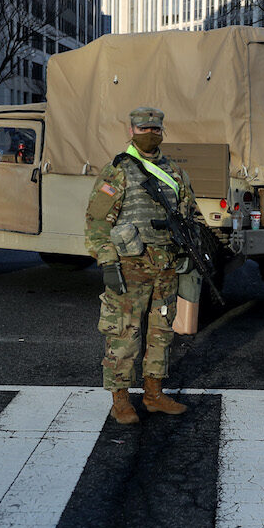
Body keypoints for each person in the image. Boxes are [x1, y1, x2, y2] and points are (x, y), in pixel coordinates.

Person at [84, 106, 199, 423]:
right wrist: (107, 261)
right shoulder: (118, 171)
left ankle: (153, 393)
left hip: (166, 268)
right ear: (132, 131)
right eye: (143, 129)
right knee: (124, 333)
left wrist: (190, 250)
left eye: (155, 129)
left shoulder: (175, 172)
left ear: (162, 131)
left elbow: (188, 214)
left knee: (161, 332)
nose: (150, 133)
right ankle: (120, 400)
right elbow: (96, 222)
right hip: (130, 265)